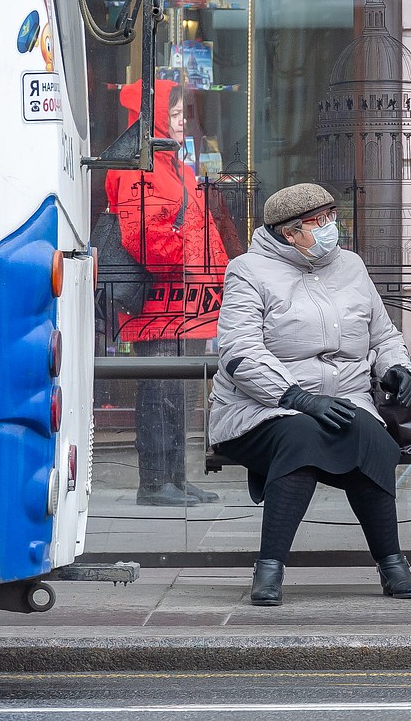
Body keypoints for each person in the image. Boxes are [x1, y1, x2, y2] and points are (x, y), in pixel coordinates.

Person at [208, 182, 411, 606]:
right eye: (317, 222)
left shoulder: (352, 266)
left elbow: (383, 335)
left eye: (331, 218)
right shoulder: (248, 271)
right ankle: (269, 567)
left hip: (346, 400)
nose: (330, 228)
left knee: (370, 437)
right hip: (261, 408)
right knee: (301, 437)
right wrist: (298, 398)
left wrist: (396, 368)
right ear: (289, 233)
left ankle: (392, 563)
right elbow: (240, 350)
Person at [105, 78, 236, 507]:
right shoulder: (140, 169)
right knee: (158, 388)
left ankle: (174, 479)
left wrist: (213, 276)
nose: (183, 122)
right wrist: (189, 263)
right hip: (161, 297)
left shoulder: (172, 166)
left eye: (184, 114)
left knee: (176, 390)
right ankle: (155, 482)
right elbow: (141, 234)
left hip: (182, 298)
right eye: (175, 113)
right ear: (156, 117)